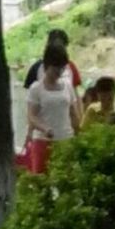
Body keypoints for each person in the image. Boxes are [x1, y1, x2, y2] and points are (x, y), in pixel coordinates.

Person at [27, 43, 80, 173]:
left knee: (65, 177)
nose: (59, 72)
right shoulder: (36, 88)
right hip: (43, 141)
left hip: (65, 139)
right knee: (40, 180)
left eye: (62, 68)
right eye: (55, 68)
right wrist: (44, 128)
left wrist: (78, 134)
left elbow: (73, 113)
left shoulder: (67, 86)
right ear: (47, 65)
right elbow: (31, 116)